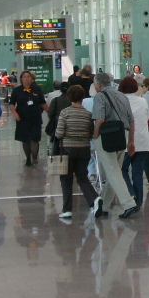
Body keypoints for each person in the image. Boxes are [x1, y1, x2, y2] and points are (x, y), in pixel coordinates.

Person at [91, 71, 140, 219]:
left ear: (99, 84)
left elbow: (99, 119)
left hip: (105, 136)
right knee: (116, 171)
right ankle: (104, 205)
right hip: (121, 135)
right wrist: (131, 141)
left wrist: (94, 136)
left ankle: (129, 203)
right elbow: (131, 120)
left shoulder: (99, 97)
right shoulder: (121, 95)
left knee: (112, 172)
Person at [54, 84, 101, 219]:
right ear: (82, 97)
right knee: (82, 177)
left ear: (69, 97)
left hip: (68, 149)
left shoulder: (65, 112)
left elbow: (59, 133)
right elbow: (90, 133)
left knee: (66, 178)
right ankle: (94, 199)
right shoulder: (87, 114)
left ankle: (67, 209)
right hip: (84, 149)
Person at [119, 76, 149, 208]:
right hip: (142, 141)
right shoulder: (143, 101)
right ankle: (139, 202)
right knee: (138, 171)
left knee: (122, 169)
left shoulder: (120, 102)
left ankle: (131, 193)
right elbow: (148, 118)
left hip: (126, 141)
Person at [9, 70, 48, 166]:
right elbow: (12, 103)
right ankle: (28, 158)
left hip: (35, 117)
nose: (26, 79)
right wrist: (14, 113)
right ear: (21, 79)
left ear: (32, 79)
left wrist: (50, 112)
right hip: (22, 118)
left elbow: (42, 102)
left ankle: (35, 157)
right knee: (25, 139)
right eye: (24, 77)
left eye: (28, 77)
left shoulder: (37, 89)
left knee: (35, 138)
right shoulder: (17, 90)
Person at [45, 82, 71, 152]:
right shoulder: (72, 100)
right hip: (71, 125)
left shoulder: (55, 100)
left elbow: (50, 113)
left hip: (58, 125)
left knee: (56, 143)